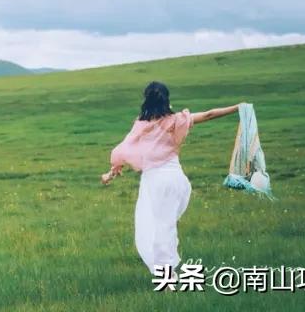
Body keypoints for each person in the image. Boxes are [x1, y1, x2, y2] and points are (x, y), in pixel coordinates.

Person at [100, 81, 242, 274]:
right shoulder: (177, 120)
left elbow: (125, 149)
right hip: (177, 180)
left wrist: (111, 173)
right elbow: (209, 114)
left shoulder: (141, 125)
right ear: (167, 99)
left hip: (156, 183)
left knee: (159, 228)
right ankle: (168, 272)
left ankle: (167, 277)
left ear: (146, 100)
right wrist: (237, 108)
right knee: (165, 226)